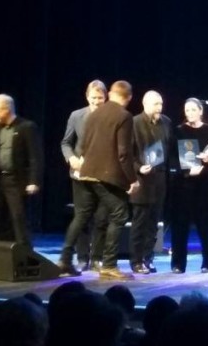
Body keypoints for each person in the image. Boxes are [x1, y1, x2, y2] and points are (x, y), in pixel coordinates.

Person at [57, 80, 139, 280]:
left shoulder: (94, 115)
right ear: (129, 97)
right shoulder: (124, 116)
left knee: (83, 215)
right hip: (105, 174)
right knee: (119, 214)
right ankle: (109, 264)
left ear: (109, 94)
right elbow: (123, 153)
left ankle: (65, 259)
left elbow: (85, 144)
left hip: (86, 172)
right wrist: (132, 179)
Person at [60, 80, 109, 271]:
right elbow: (66, 142)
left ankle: (97, 258)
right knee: (82, 217)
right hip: (80, 174)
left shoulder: (110, 117)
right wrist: (71, 158)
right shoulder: (76, 115)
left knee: (102, 218)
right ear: (87, 97)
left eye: (100, 98)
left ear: (106, 97)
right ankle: (82, 258)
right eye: (93, 98)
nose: (96, 101)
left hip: (103, 175)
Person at [170, 98, 208, 273]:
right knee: (180, 225)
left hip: (204, 184)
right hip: (183, 185)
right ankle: (178, 264)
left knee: (206, 225)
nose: (189, 113)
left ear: (200, 111)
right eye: (187, 110)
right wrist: (187, 172)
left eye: (193, 110)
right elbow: (173, 157)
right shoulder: (178, 131)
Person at [129, 90, 173, 274]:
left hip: (159, 178)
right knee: (140, 221)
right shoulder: (134, 123)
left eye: (161, 104)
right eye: (156, 104)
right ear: (145, 104)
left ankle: (148, 258)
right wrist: (139, 168)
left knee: (154, 222)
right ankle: (136, 260)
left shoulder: (166, 122)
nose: (159, 108)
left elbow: (170, 149)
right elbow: (127, 153)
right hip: (141, 179)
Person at [0, 94, 43, 246]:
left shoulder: (26, 127)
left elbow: (35, 157)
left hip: (16, 181)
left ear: (7, 110)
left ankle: (24, 252)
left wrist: (33, 181)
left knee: (18, 218)